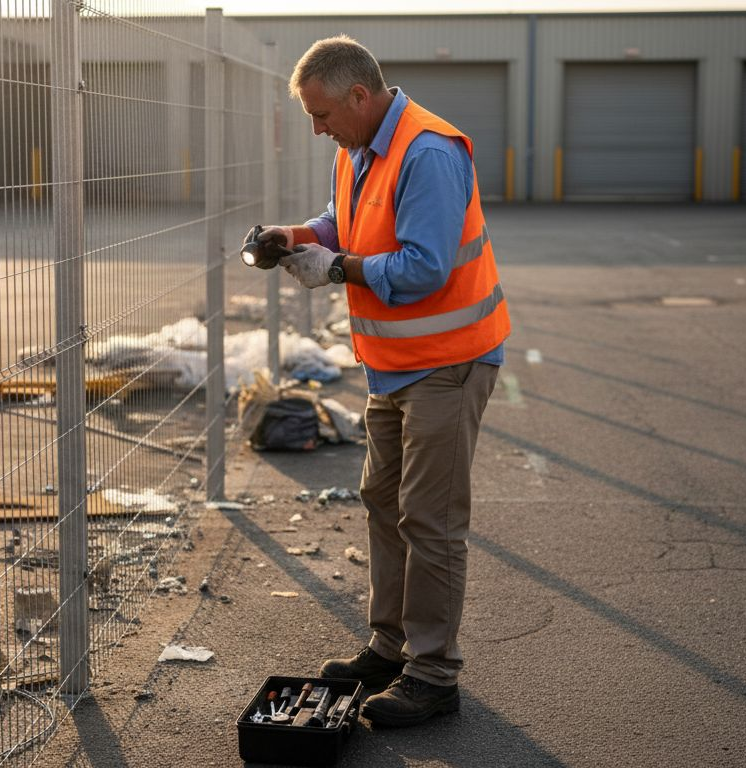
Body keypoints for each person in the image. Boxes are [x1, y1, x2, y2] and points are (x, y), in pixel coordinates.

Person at [250, 35, 510, 728]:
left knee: (429, 517)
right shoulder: (360, 146)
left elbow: (424, 266)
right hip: (393, 364)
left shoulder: (428, 152)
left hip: (449, 362)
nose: (318, 129)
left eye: (322, 114)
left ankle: (433, 675)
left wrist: (336, 268)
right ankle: (391, 647)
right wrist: (296, 237)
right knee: (384, 501)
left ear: (359, 96)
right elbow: (344, 223)